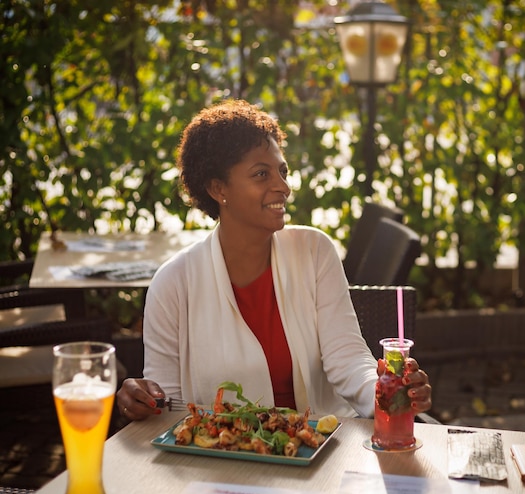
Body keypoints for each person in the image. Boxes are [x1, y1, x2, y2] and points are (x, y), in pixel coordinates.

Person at [116, 99, 431, 420]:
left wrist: (385, 390)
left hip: (319, 447)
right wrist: (142, 400)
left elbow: (348, 359)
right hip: (219, 458)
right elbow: (166, 404)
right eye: (261, 174)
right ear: (217, 188)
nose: (282, 187)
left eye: (282, 172)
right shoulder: (173, 285)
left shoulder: (314, 251)